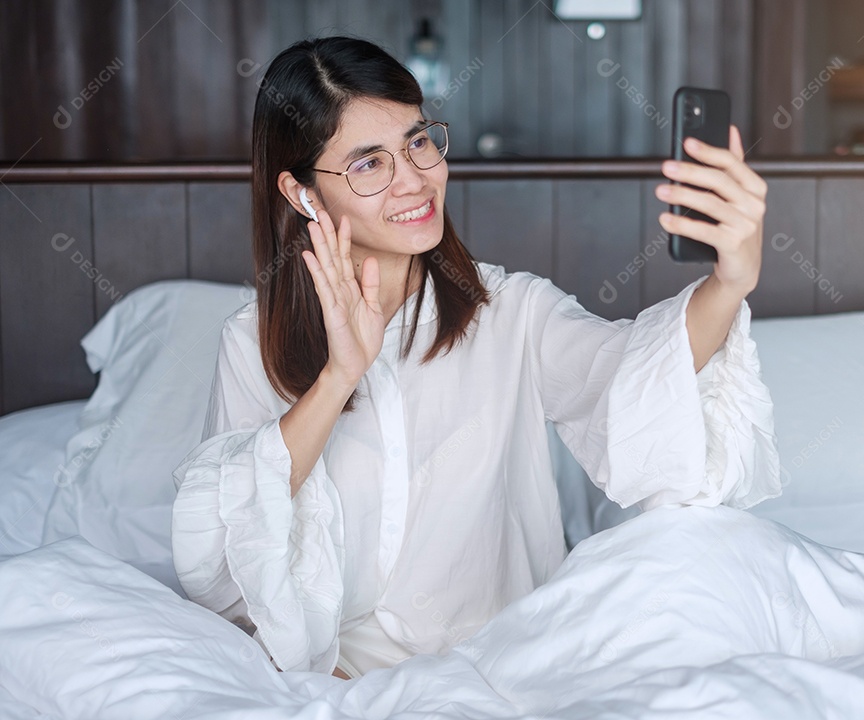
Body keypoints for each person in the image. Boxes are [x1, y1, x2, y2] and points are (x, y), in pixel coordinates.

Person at [171, 35, 780, 680]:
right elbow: (224, 555)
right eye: (369, 164)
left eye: (418, 141)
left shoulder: (511, 311)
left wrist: (730, 282)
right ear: (303, 195)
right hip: (338, 683)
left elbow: (634, 373)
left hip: (511, 663)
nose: (414, 178)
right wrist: (338, 377)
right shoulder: (250, 342)